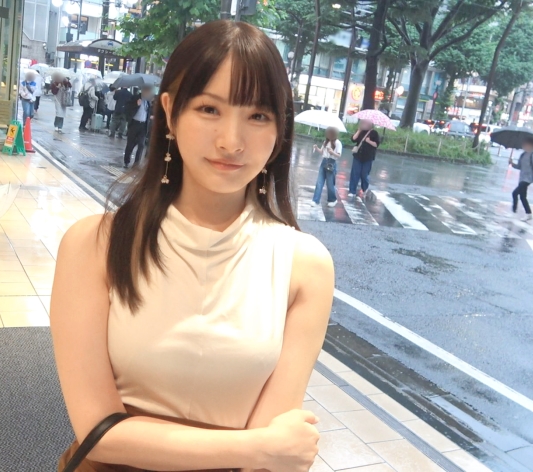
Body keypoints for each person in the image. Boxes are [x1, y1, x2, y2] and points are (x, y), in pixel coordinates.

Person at [51, 20, 332, 472]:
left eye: (258, 116)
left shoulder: (305, 266)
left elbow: (270, 446)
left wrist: (265, 450)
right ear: (170, 111)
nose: (231, 141)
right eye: (209, 109)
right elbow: (99, 433)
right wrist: (258, 448)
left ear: (280, 129)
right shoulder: (95, 245)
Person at [508, 136, 533, 222]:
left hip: (528, 179)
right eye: (524, 144)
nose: (524, 146)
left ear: (532, 145)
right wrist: (512, 163)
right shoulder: (523, 155)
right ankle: (522, 213)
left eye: (526, 144)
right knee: (520, 195)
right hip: (522, 178)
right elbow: (519, 166)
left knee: (517, 194)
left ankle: (519, 212)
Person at [123, 85, 154, 168]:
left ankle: (136, 163)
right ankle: (126, 161)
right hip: (134, 124)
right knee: (130, 144)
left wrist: (151, 116)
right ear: (143, 91)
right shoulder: (135, 98)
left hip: (143, 125)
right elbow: (127, 108)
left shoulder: (148, 101)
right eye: (147, 91)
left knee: (141, 144)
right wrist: (136, 104)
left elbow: (149, 112)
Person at [349, 119, 380, 198]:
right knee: (355, 174)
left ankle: (365, 188)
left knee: (364, 174)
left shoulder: (374, 133)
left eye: (367, 122)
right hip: (358, 156)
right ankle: (352, 191)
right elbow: (353, 139)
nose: (365, 123)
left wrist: (368, 141)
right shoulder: (360, 131)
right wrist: (359, 130)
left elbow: (376, 145)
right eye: (364, 122)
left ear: (371, 123)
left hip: (368, 157)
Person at [312, 127, 341, 207]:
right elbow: (322, 152)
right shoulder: (326, 142)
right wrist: (316, 148)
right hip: (324, 161)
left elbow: (339, 155)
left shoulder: (337, 142)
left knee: (330, 183)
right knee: (319, 182)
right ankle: (315, 200)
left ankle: (333, 199)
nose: (327, 134)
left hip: (331, 163)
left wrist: (332, 152)